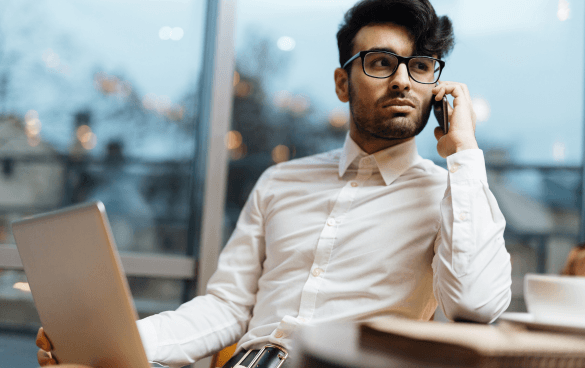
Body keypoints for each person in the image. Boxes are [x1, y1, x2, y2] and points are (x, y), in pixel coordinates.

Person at [37, 0, 512, 367]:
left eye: (421, 66)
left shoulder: (450, 196)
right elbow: (227, 307)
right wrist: (117, 343)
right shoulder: (280, 181)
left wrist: (464, 152)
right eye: (381, 63)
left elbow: (476, 303)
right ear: (342, 84)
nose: (403, 81)